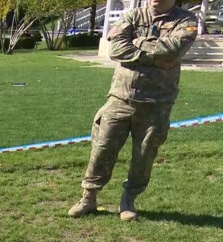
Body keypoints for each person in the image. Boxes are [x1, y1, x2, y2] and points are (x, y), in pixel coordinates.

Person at [68, 0, 197, 221]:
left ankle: (128, 201)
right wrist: (151, 54)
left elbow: (173, 50)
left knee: (144, 155)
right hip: (120, 98)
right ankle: (88, 197)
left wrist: (136, 43)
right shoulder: (133, 16)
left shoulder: (186, 21)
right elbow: (116, 48)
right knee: (102, 148)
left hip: (156, 103)